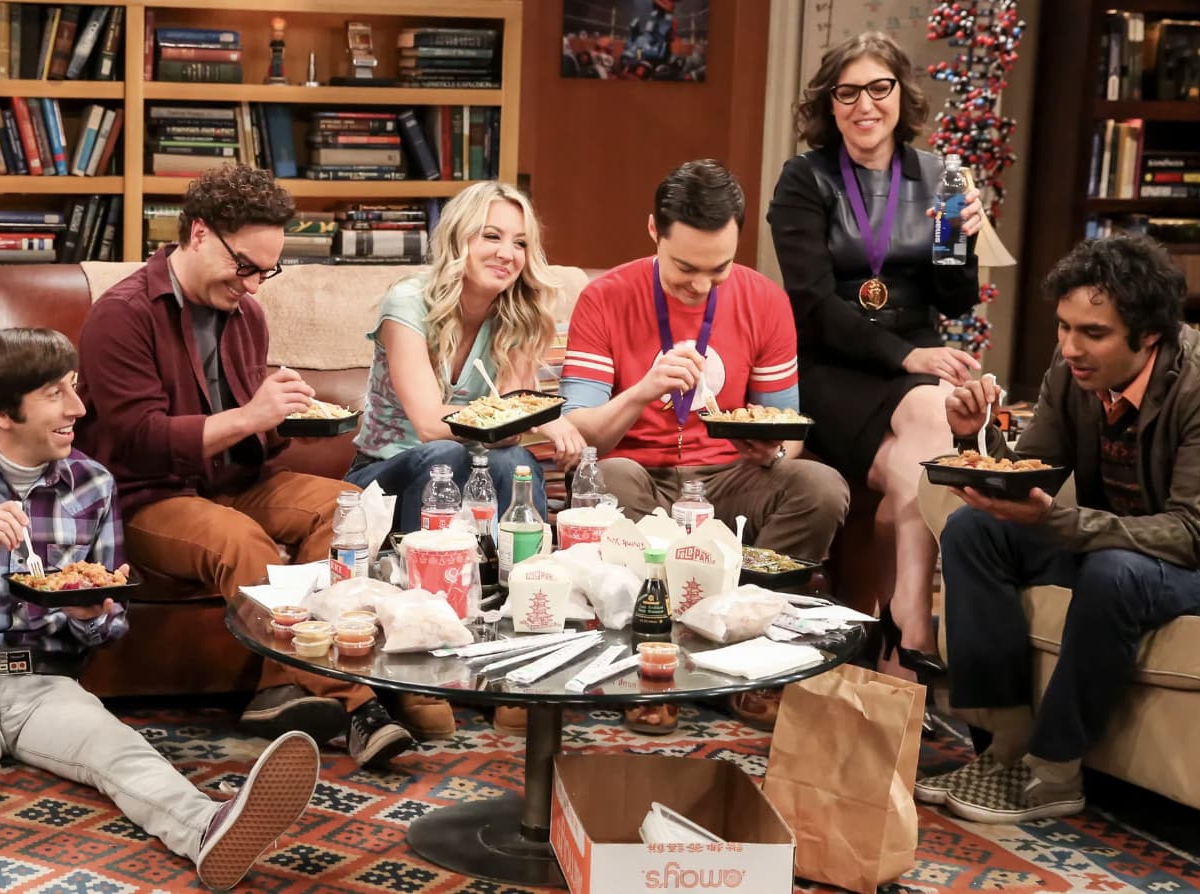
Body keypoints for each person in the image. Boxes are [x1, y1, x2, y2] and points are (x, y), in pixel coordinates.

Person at [0, 328, 321, 894]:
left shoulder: (92, 485)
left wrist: (90, 615)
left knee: (125, 755)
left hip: (47, 685)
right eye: (55, 394)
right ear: (0, 413)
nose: (78, 408)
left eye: (74, 387)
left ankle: (210, 829)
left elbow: (112, 619)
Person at [921, 234, 1200, 824]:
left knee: (1115, 572)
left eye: (1093, 333)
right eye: (1064, 327)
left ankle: (1054, 771)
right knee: (972, 530)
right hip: (1112, 546)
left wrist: (1059, 521)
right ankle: (1005, 745)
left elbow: (1191, 536)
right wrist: (974, 436)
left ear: (1149, 333)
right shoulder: (1074, 372)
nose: (1070, 347)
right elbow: (1029, 473)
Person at [74, 164, 414, 768]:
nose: (254, 286)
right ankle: (359, 702)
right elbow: (139, 440)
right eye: (245, 267)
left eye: (266, 271)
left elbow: (248, 437)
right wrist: (251, 415)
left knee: (347, 508)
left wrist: (281, 418)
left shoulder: (246, 316)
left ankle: (278, 688)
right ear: (199, 233)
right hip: (146, 495)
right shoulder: (122, 313)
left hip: (233, 483)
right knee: (240, 540)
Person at [560, 159, 850, 734]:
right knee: (609, 477)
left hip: (728, 480)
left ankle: (748, 657)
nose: (700, 286)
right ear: (654, 231)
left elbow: (786, 430)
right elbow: (583, 435)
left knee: (820, 486)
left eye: (719, 270)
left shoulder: (765, 299)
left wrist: (773, 452)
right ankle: (650, 665)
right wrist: (643, 390)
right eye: (685, 269)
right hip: (641, 478)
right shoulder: (605, 297)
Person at [766, 31, 986, 679]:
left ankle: (898, 627)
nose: (865, 104)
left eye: (878, 88)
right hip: (832, 366)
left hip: (917, 357)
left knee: (910, 472)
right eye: (848, 92)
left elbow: (955, 299)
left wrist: (963, 242)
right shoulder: (805, 180)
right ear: (829, 104)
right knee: (930, 427)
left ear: (900, 93)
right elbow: (810, 302)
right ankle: (912, 630)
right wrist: (905, 357)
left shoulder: (941, 176)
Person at [345, 179, 584, 533]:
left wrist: (525, 417)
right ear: (459, 238)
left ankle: (522, 567)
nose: (508, 254)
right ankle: (425, 566)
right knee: (445, 455)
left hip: (477, 470)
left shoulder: (521, 315)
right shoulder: (408, 301)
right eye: (492, 236)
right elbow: (429, 425)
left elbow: (506, 436)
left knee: (514, 462)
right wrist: (523, 414)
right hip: (386, 475)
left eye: (520, 243)